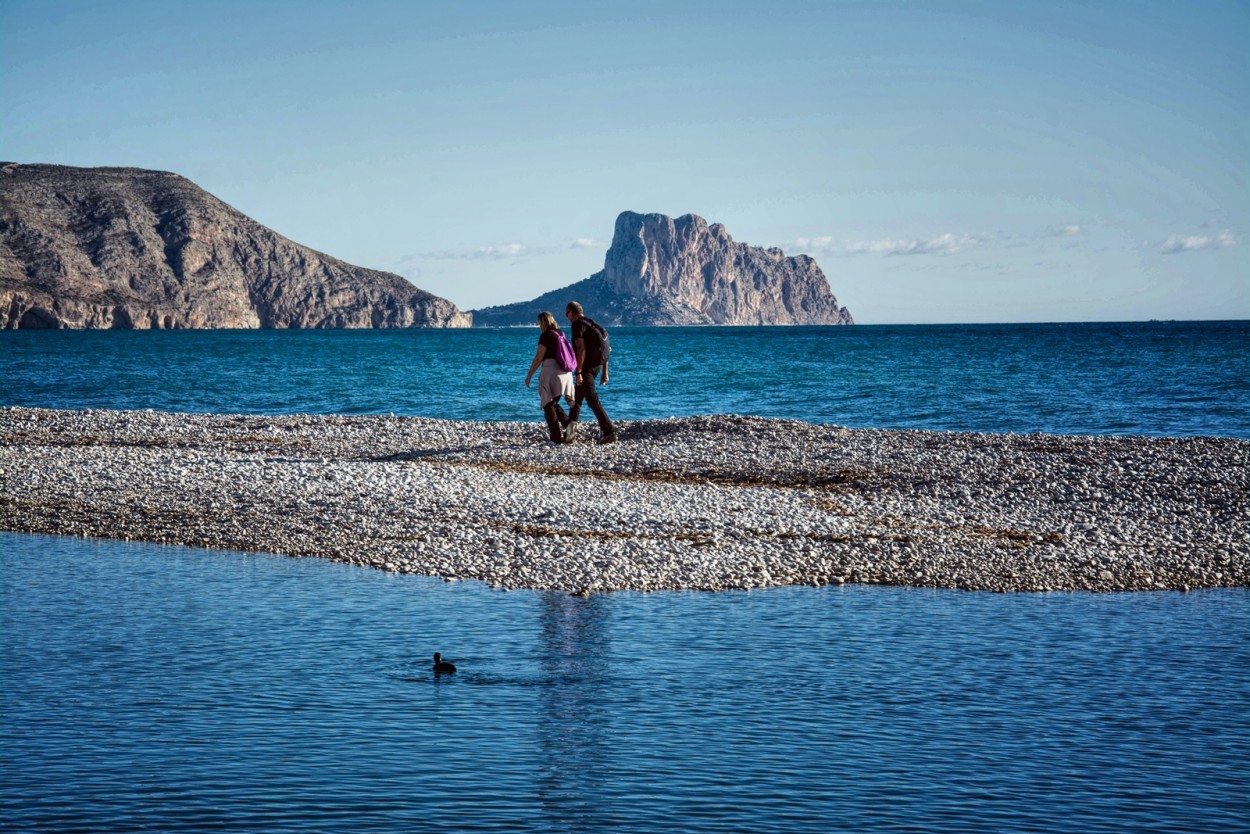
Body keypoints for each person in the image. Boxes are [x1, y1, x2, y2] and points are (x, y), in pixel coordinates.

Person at [564, 301, 616, 444]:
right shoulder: (593, 324)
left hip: (585, 369)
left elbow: (581, 349)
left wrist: (579, 372)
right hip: (596, 367)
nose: (566, 317)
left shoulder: (577, 325)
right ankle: (570, 434)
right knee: (577, 399)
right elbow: (606, 350)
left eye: (566, 314)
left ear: (572, 312)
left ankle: (609, 431)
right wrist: (605, 372)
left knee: (593, 400)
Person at [524, 311, 575, 444]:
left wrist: (529, 375)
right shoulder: (561, 333)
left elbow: (539, 358)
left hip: (552, 372)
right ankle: (568, 424)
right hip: (565, 372)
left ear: (541, 323)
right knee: (552, 403)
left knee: (548, 404)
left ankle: (556, 437)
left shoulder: (545, 336)